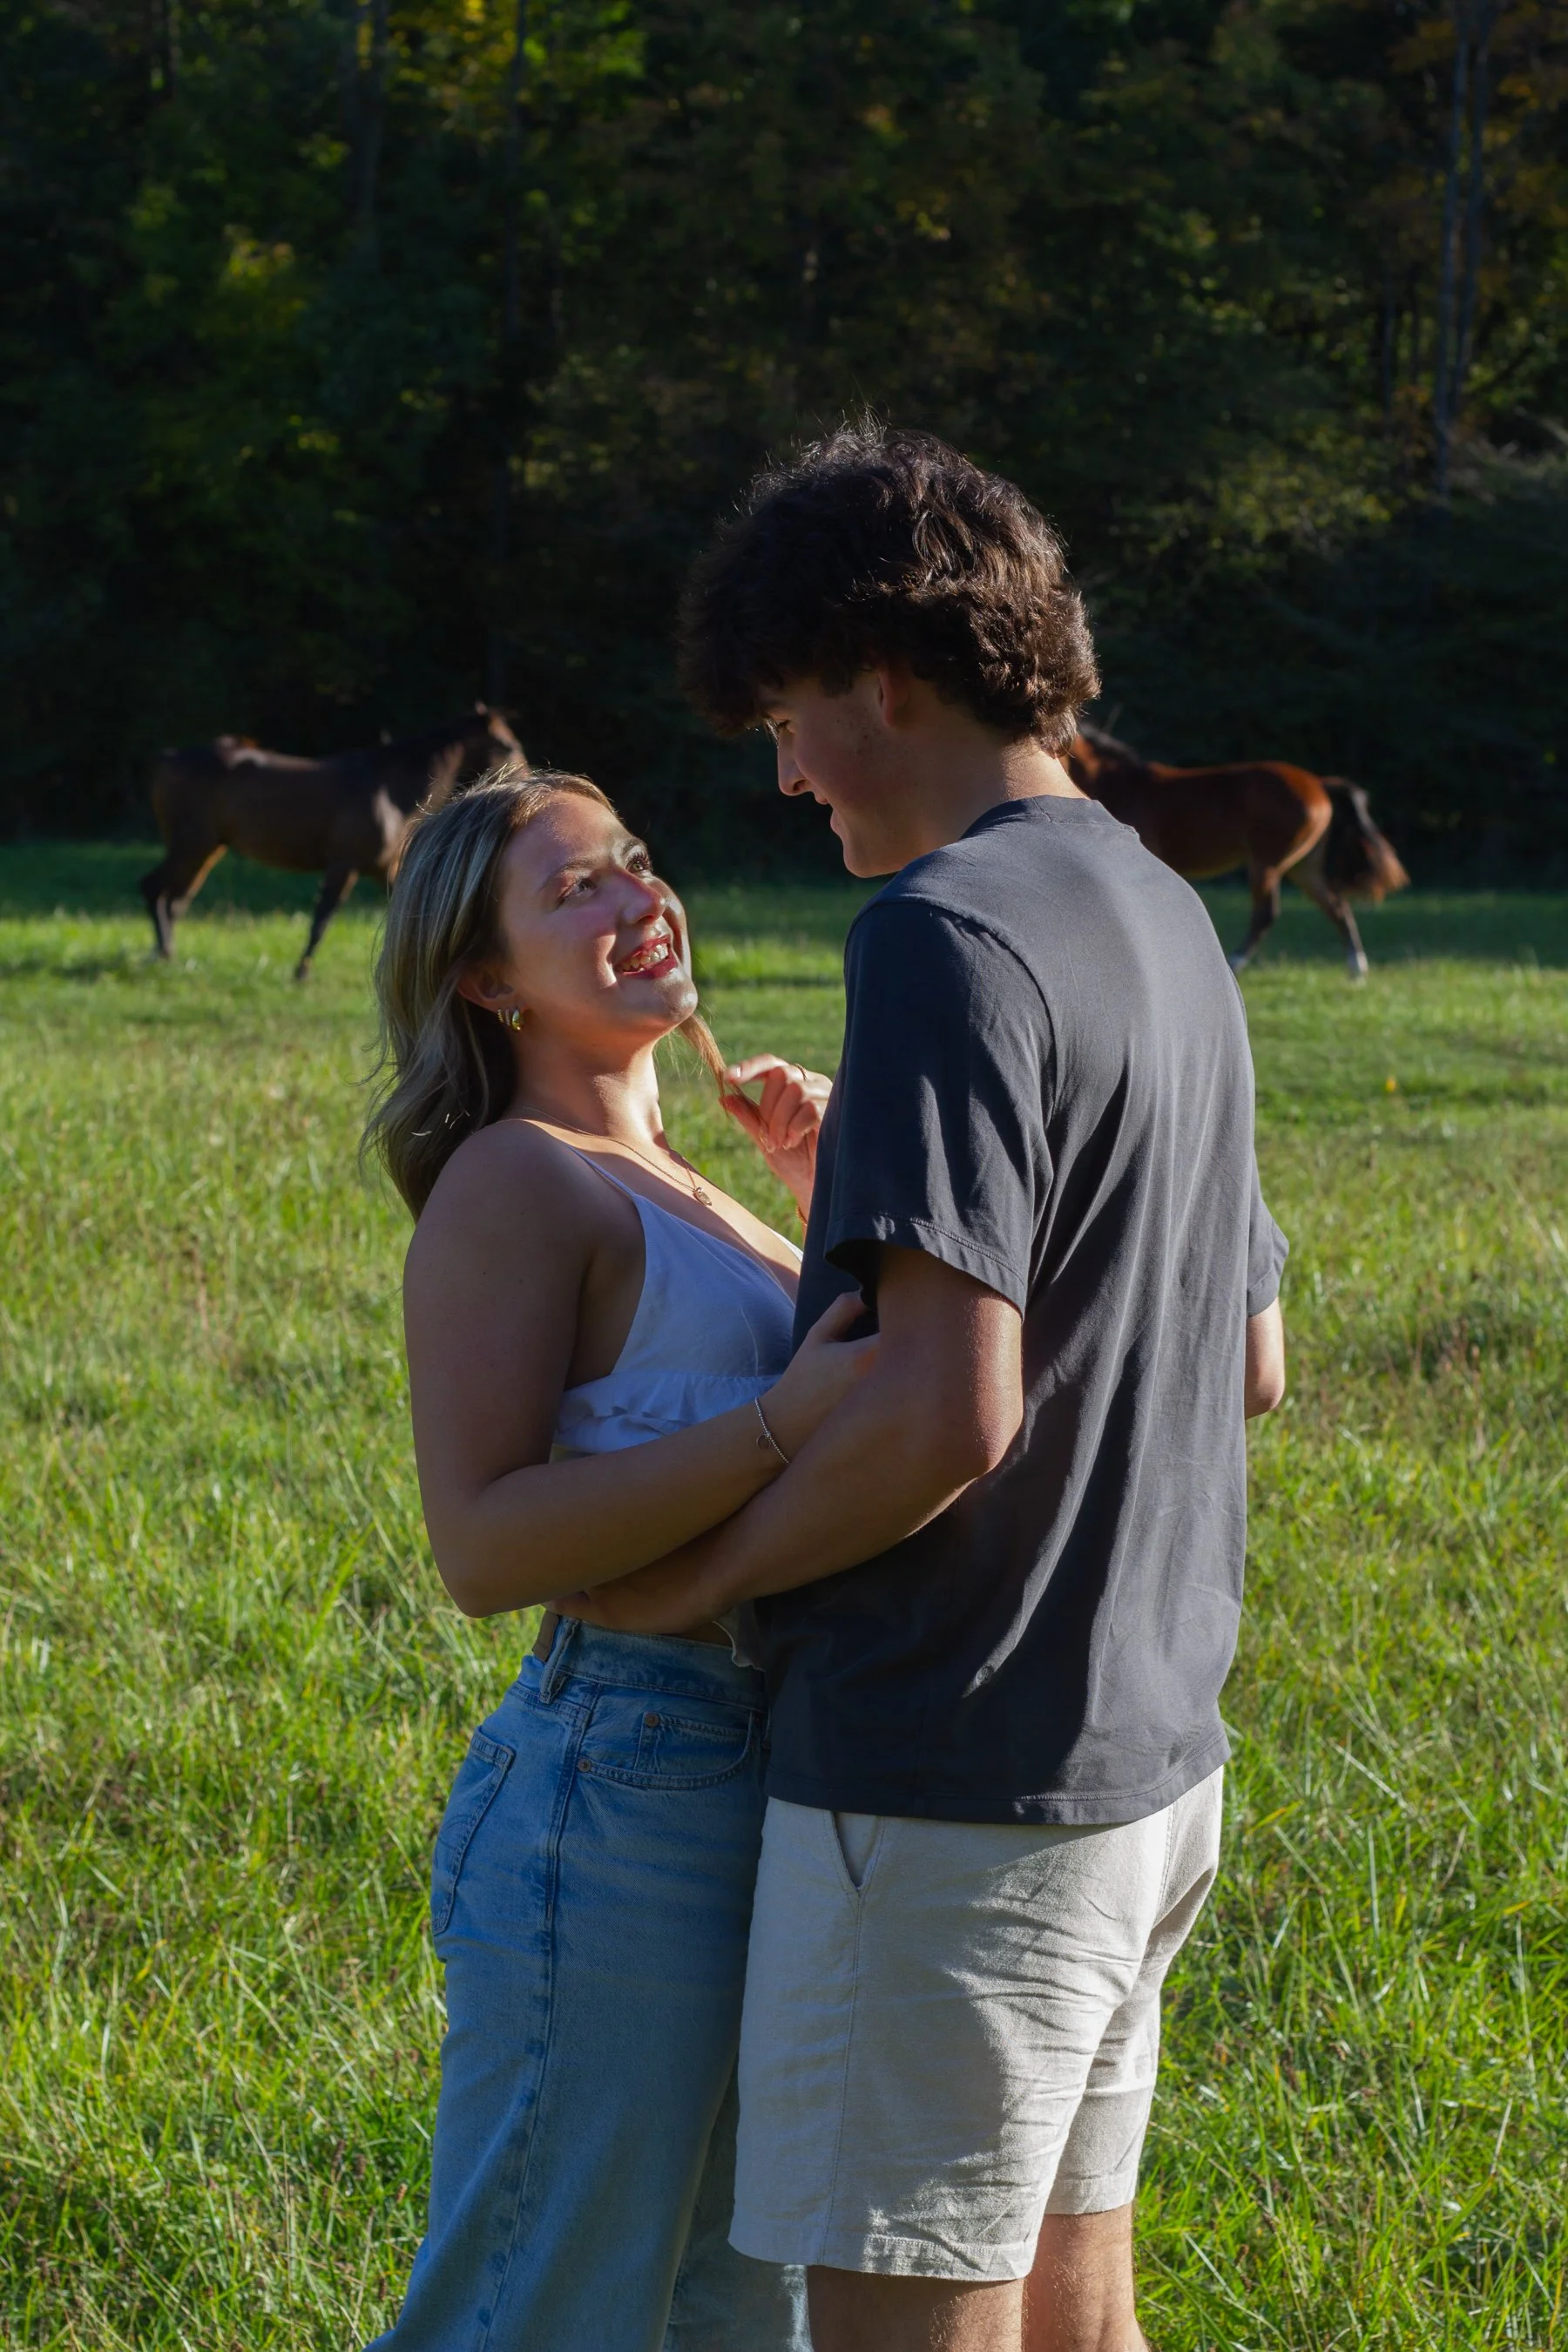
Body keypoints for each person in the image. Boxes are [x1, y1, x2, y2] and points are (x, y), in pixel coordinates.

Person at [566, 424, 1289, 2352]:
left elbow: (947, 1416)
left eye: (788, 718)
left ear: (882, 676)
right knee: (1081, 2325)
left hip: (948, 1778)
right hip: (1148, 1764)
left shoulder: (941, 934)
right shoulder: (1163, 912)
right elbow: (1250, 1359)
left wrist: (691, 1580)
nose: (787, 773)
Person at [359, 761, 869, 2352]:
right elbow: (481, 1541)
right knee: (536, 2311)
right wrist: (777, 1423)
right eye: (575, 888)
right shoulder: (517, 1176)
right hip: (624, 1788)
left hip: (780, 1773)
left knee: (737, 2315)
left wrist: (821, 1205)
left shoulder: (702, 1188)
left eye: (636, 862)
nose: (642, 898)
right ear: (485, 980)